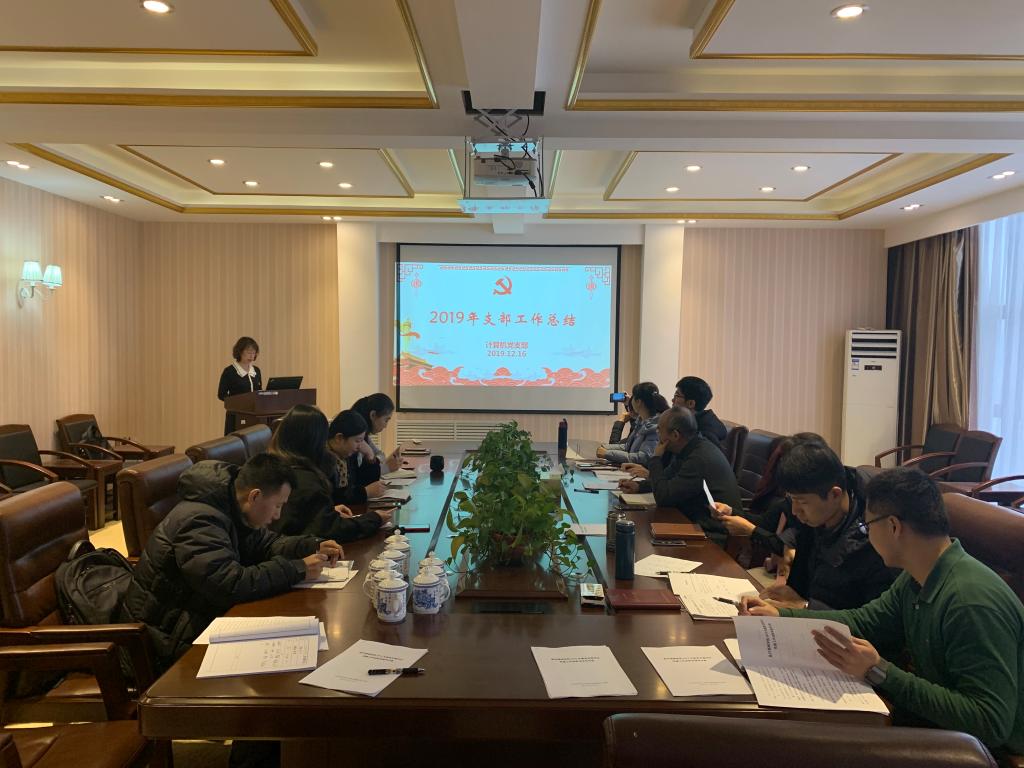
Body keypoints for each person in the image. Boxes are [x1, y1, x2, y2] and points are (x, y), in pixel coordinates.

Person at [741, 468, 1024, 756]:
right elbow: (865, 621)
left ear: (893, 526)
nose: (866, 534)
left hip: (987, 752)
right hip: (943, 728)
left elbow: (990, 722)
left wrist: (879, 672)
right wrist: (781, 617)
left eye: (867, 526)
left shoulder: (969, 601)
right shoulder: (918, 575)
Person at [121, 453, 342, 671]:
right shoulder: (200, 521)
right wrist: (298, 569)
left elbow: (267, 544)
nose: (278, 515)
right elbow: (229, 585)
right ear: (255, 496)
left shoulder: (231, 506)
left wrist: (311, 545)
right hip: (163, 644)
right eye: (277, 505)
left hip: (195, 621)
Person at [752, 440, 896, 611]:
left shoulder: (874, 538)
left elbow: (872, 618)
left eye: (802, 502)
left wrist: (805, 607)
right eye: (792, 499)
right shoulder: (815, 519)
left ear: (834, 494)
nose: (795, 511)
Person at [619, 406, 742, 546]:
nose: (657, 433)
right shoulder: (690, 448)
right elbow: (668, 479)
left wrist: (656, 458)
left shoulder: (698, 458)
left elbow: (664, 497)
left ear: (675, 435)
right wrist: (639, 486)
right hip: (693, 522)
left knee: (639, 538)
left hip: (712, 536)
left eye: (659, 429)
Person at [268, 404, 389, 542]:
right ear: (314, 442)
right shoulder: (305, 479)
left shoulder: (275, 465)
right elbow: (333, 530)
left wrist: (328, 511)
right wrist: (375, 518)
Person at [598, 382, 668, 466]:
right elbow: (628, 446)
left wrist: (607, 453)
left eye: (633, 397)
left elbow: (643, 458)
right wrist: (605, 448)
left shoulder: (654, 427)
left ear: (638, 402)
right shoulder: (641, 422)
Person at [327, 409, 386, 504]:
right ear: (339, 438)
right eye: (358, 441)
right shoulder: (323, 460)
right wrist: (365, 492)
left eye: (362, 441)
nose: (360, 446)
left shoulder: (347, 455)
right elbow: (332, 498)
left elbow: (363, 482)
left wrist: (370, 455)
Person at [217, 336, 262, 435]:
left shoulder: (256, 371)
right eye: (248, 352)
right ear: (240, 352)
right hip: (236, 415)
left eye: (253, 353)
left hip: (254, 414)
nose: (251, 356)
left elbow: (259, 391)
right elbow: (221, 394)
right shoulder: (229, 371)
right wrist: (237, 403)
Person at [351, 393, 402, 478]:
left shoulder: (364, 436)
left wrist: (375, 460)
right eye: (386, 420)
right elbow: (357, 477)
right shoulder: (355, 438)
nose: (386, 426)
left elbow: (380, 454)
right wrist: (386, 468)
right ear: (373, 415)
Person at [672, 376, 727, 453]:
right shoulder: (691, 421)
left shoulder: (704, 434)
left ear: (691, 403)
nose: (672, 400)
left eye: (677, 396)